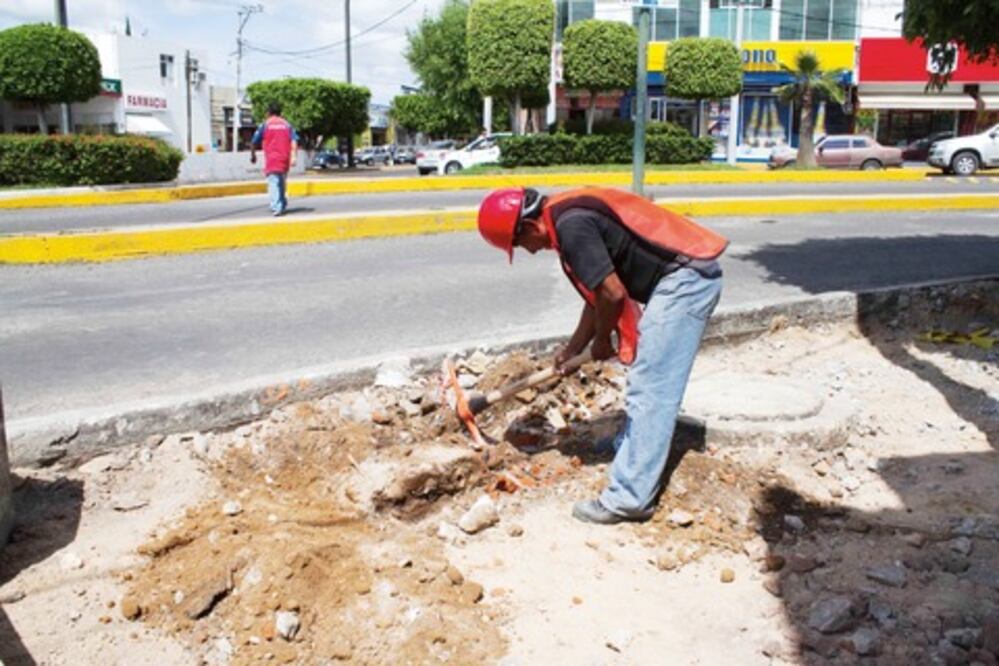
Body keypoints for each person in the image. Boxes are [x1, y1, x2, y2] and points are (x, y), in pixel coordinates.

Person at [476, 187, 727, 525]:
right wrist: (574, 348)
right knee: (647, 383)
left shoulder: (571, 227)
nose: (530, 252)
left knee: (651, 389)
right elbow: (597, 293)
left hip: (685, 283)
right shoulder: (565, 215)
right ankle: (632, 447)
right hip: (679, 277)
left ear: (529, 227)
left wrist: (602, 342)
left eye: (520, 245)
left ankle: (628, 499)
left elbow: (612, 293)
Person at [250, 102, 298, 216]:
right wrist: (294, 156)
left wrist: (253, 155)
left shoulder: (265, 125)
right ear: (280, 113)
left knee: (273, 182)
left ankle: (277, 207)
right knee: (281, 182)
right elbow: (294, 141)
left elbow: (253, 142)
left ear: (269, 113)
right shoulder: (287, 125)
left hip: (272, 159)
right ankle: (282, 203)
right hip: (285, 158)